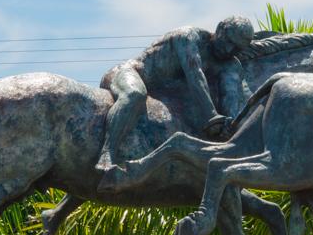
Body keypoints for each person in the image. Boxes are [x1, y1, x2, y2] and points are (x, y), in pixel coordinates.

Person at [95, 16, 255, 173]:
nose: (228, 50)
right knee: (135, 94)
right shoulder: (188, 37)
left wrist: (230, 126)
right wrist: (212, 117)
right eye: (228, 41)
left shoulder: (230, 65)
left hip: (161, 97)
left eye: (236, 48)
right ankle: (106, 154)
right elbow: (195, 75)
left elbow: (231, 96)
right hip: (129, 73)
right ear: (220, 29)